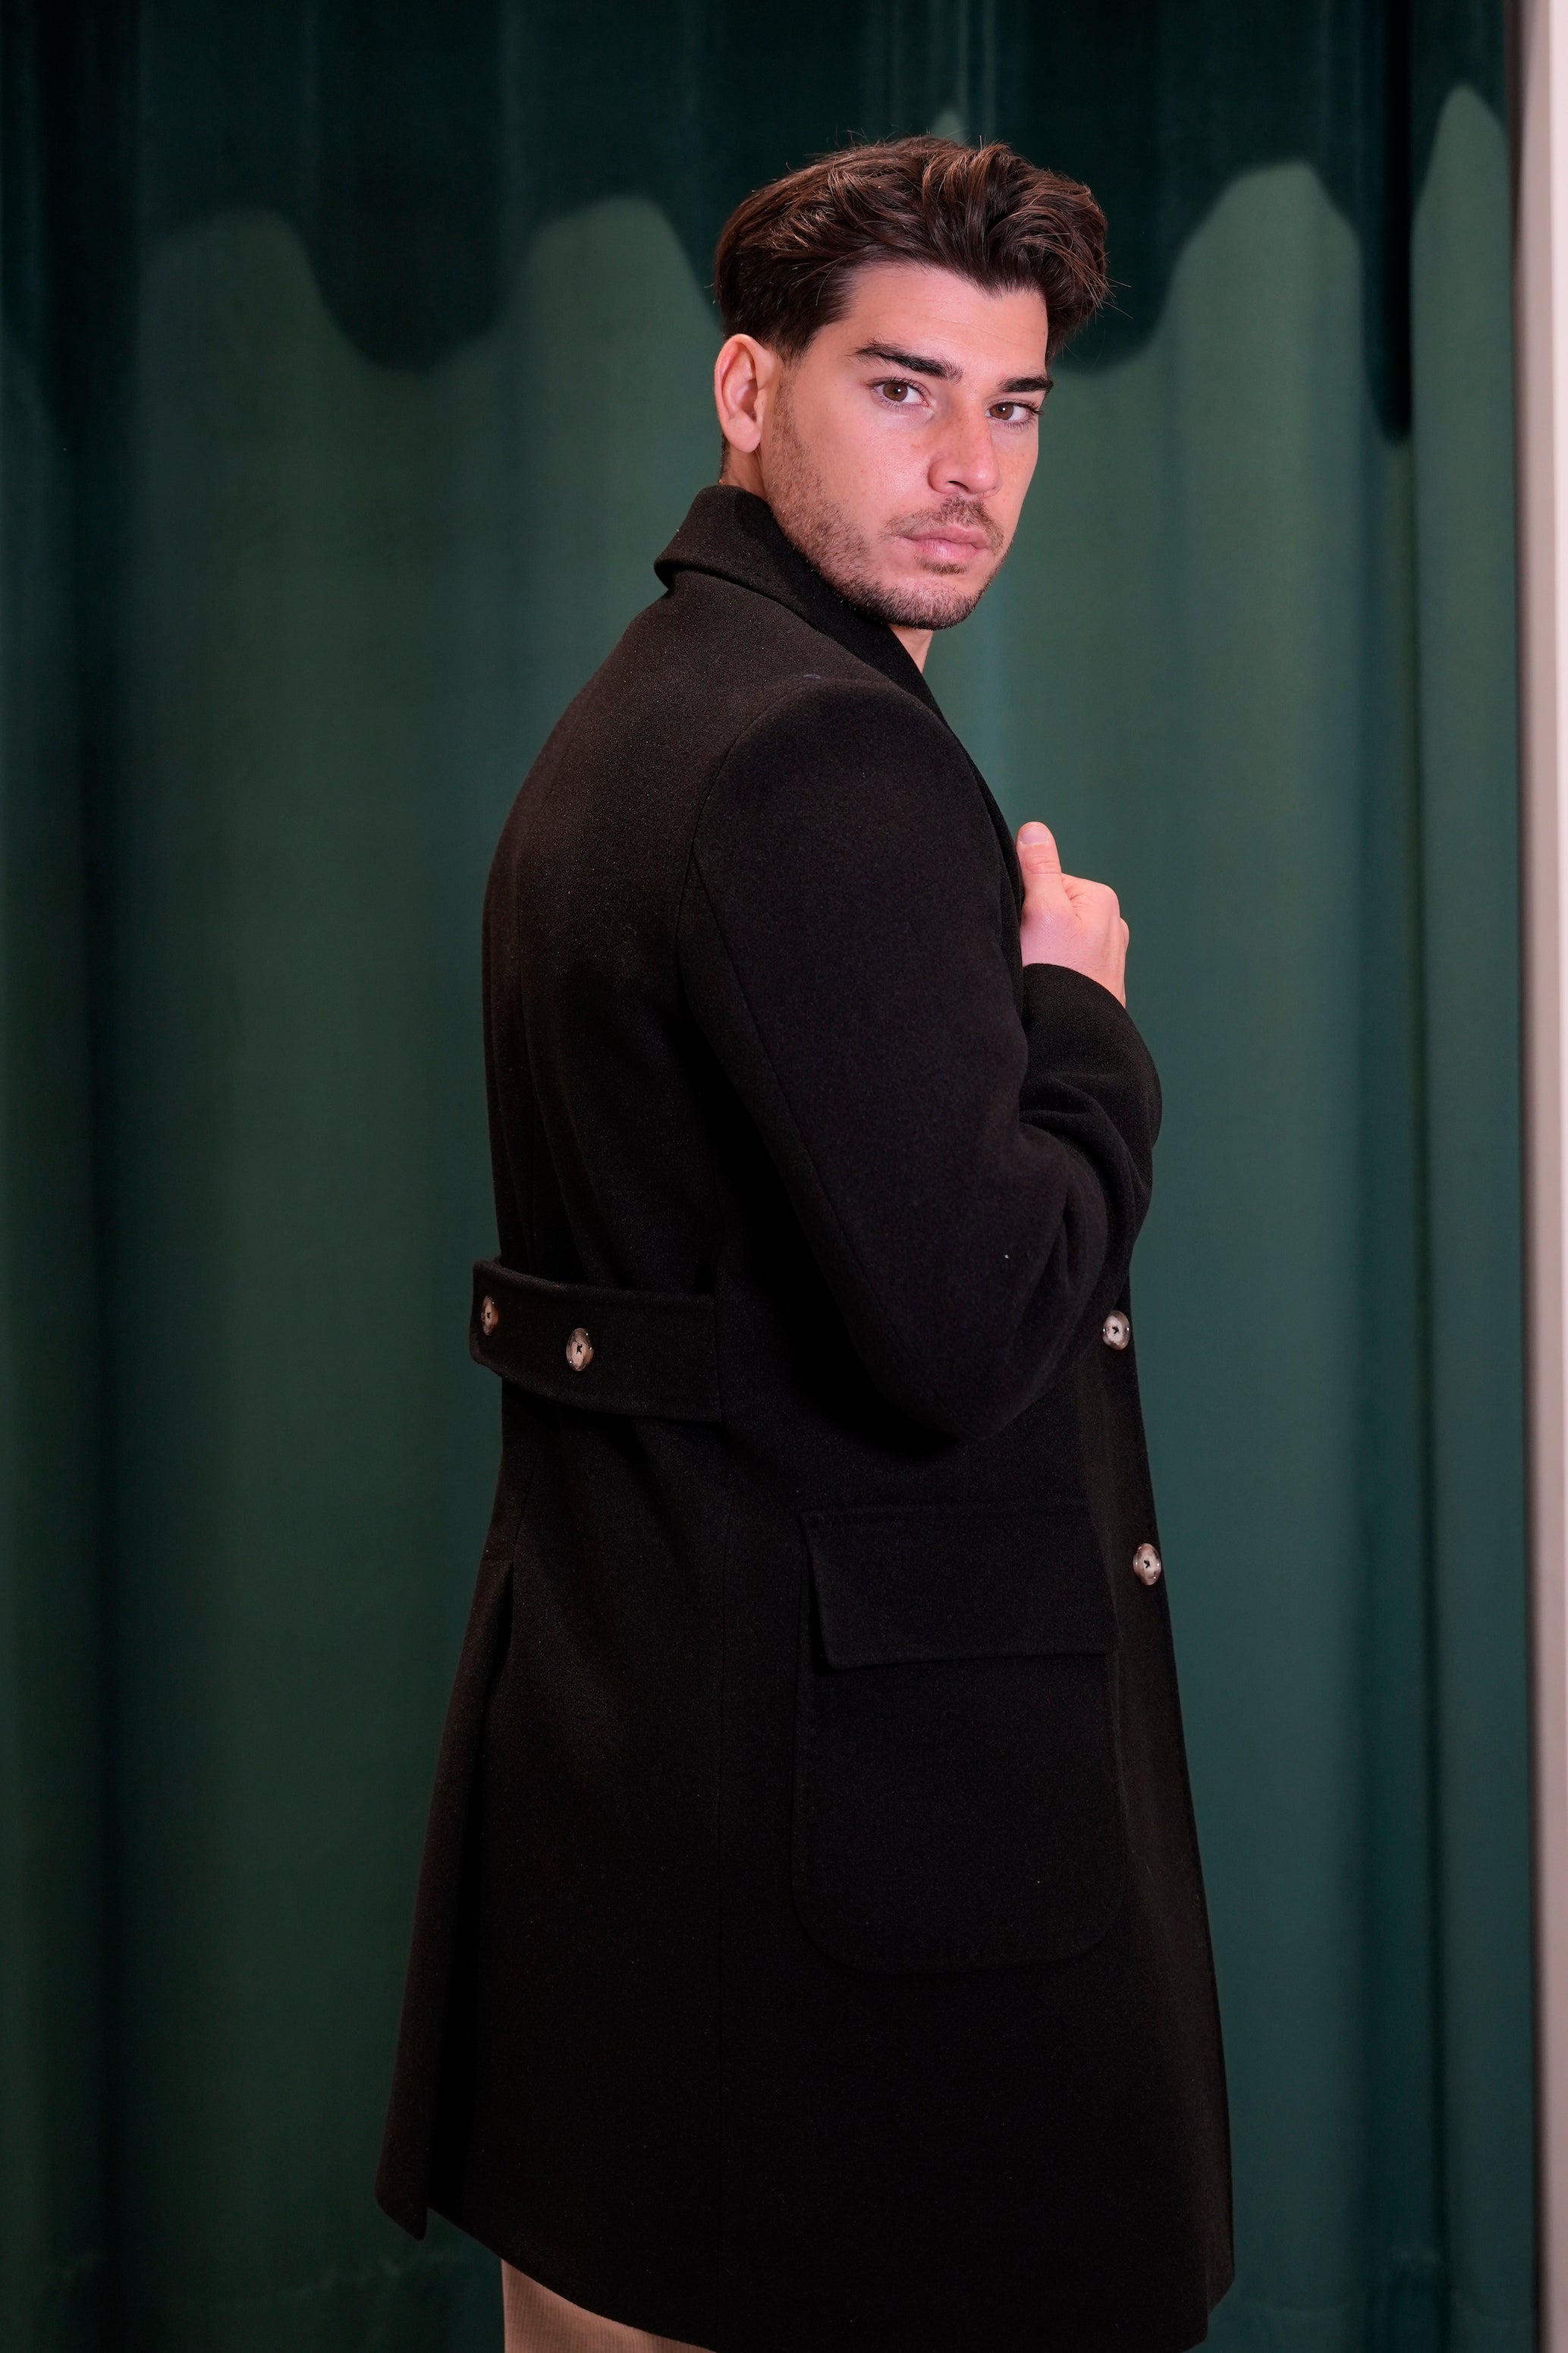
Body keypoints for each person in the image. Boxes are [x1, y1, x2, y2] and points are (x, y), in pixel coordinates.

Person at [377, 136, 1232, 2353]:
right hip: (843, 1901)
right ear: (749, 389)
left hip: (646, 1828)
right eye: (900, 387)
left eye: (1014, 405)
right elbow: (974, 1323)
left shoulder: (646, 706)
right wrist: (1081, 1026)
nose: (970, 469)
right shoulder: (815, 756)